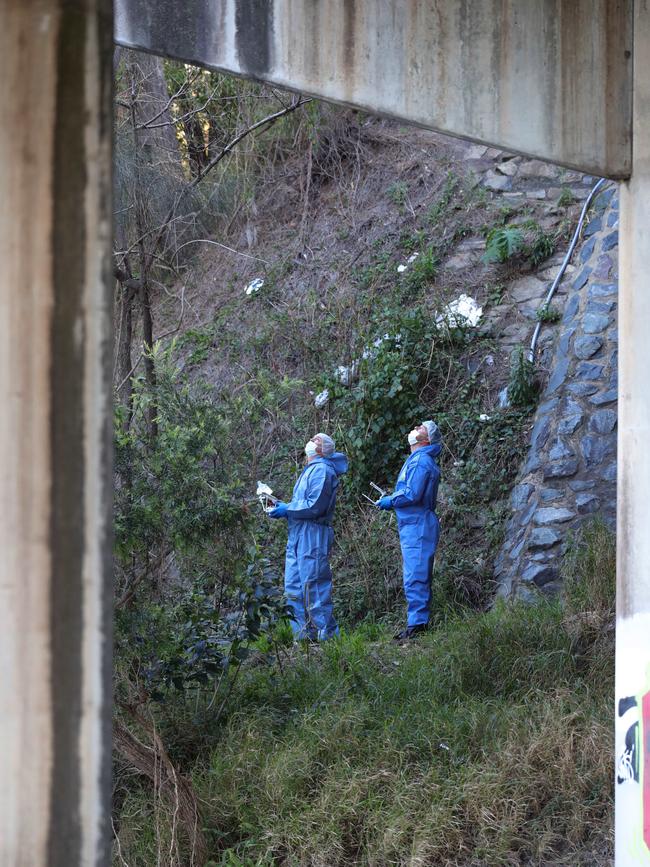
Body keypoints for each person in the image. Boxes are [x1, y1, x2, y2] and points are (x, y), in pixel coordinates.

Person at [268, 433, 348, 641]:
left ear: (323, 450)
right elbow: (303, 504)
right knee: (293, 587)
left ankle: (329, 636)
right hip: (298, 534)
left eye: (317, 441)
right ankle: (303, 637)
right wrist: (282, 507)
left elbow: (315, 506)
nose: (312, 441)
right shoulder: (310, 470)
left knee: (314, 584)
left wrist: (288, 509)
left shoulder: (322, 470)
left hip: (313, 534)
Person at [376, 420, 442, 640]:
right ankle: (417, 622)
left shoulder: (421, 460)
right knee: (414, 572)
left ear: (427, 439)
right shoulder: (417, 459)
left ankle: (418, 624)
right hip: (413, 523)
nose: (414, 428)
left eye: (420, 428)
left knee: (416, 574)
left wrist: (391, 501)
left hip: (418, 524)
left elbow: (412, 494)